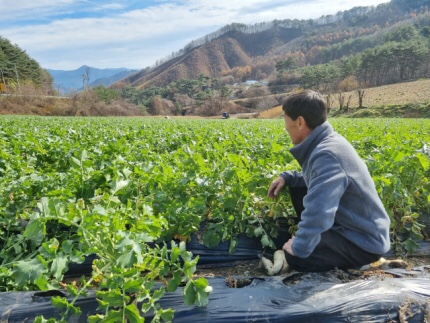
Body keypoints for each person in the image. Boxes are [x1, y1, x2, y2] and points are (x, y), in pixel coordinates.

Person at [267, 90, 391, 272]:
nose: (285, 127)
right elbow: (317, 180)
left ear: (300, 122)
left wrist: (298, 247)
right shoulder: (327, 143)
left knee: (297, 258)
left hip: (364, 241)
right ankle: (317, 242)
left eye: (285, 120)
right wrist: (287, 177)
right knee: (299, 188)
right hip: (351, 227)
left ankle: (360, 261)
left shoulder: (328, 154)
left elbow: (320, 210)